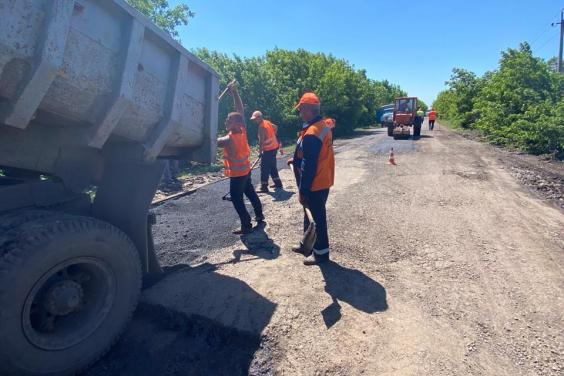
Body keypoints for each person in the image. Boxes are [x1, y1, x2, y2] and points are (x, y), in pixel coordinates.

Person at [289, 92, 335, 266]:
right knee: (310, 217)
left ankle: (321, 255)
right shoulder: (322, 126)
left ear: (309, 109)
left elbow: (310, 165)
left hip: (315, 184)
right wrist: (296, 159)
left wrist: (303, 190)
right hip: (323, 180)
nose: (300, 112)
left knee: (317, 220)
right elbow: (313, 154)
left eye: (301, 109)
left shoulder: (312, 133)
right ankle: (306, 246)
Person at [217, 82, 264, 235]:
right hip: (246, 171)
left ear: (235, 123)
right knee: (250, 192)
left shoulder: (227, 139)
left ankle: (246, 225)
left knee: (237, 200)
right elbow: (240, 110)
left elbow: (212, 141)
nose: (225, 122)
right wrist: (235, 92)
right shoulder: (242, 130)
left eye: (228, 120)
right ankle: (259, 215)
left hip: (238, 176)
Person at [250, 110, 283, 192]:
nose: (254, 121)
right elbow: (275, 127)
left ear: (260, 117)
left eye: (255, 119)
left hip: (268, 150)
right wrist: (273, 134)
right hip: (274, 148)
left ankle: (264, 187)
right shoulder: (267, 122)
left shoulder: (261, 127)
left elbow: (261, 142)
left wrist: (260, 152)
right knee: (272, 166)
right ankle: (278, 183)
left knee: (264, 168)